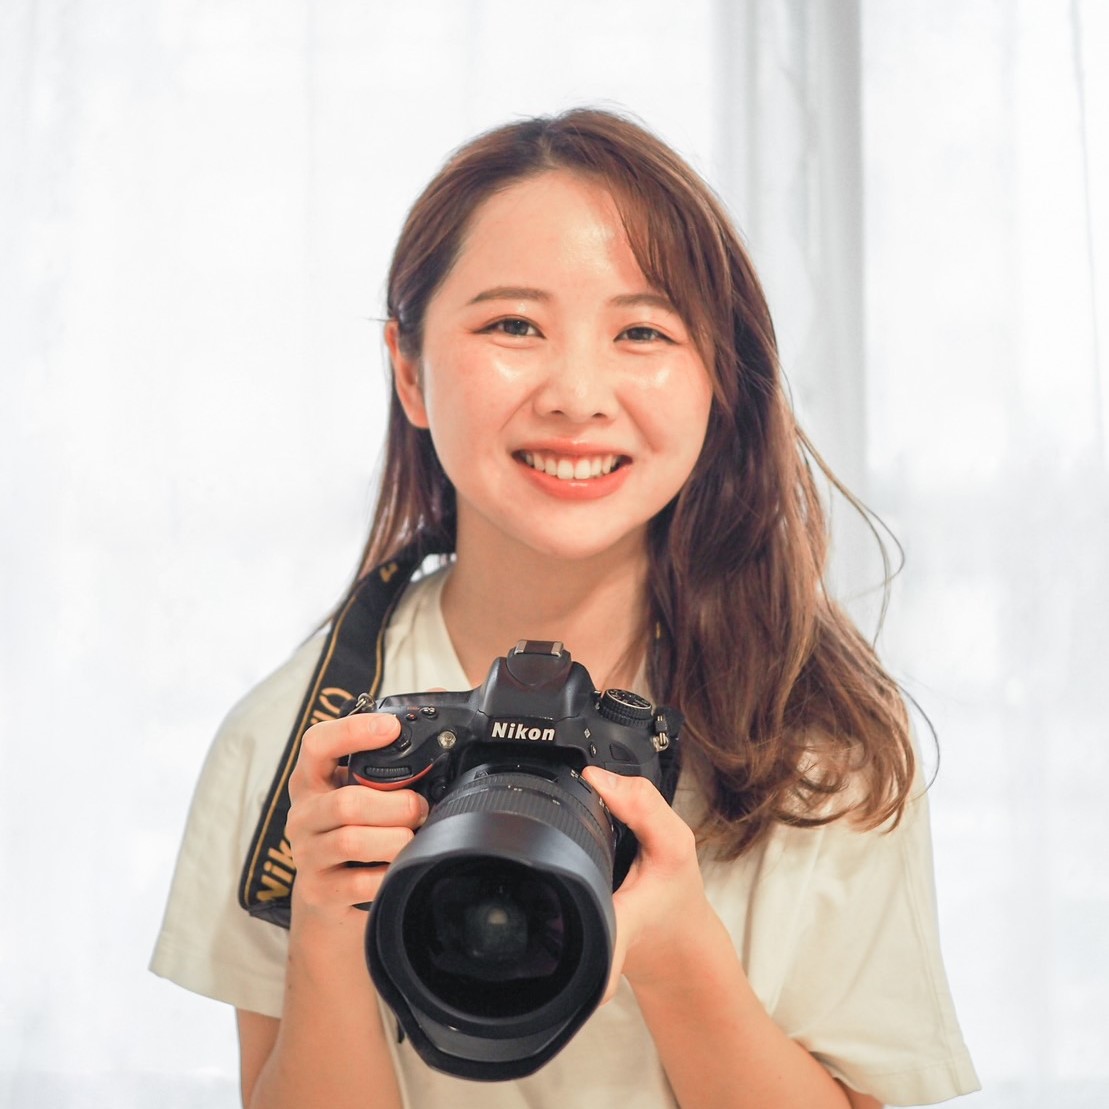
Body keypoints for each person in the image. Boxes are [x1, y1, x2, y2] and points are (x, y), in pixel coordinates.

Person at [151, 108, 980, 1108]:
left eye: (641, 331)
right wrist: (328, 934)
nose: (578, 394)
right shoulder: (304, 742)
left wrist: (676, 950)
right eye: (512, 325)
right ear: (408, 369)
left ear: (718, 378)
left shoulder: (820, 744)